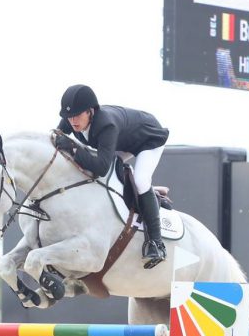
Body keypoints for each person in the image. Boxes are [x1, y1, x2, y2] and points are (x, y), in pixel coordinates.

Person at [53, 84, 170, 268]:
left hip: (148, 138)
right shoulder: (70, 119)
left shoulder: (106, 124)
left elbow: (100, 166)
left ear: (90, 112)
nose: (72, 121)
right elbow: (55, 137)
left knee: (140, 180)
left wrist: (74, 148)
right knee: (104, 174)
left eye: (77, 115)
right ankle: (148, 196)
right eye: (69, 116)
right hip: (123, 139)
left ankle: (156, 243)